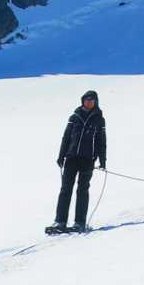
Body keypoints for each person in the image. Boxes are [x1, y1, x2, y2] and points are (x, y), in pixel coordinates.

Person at [50, 91, 107, 234]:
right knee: (65, 190)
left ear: (95, 102)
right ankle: (60, 222)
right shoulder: (74, 117)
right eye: (86, 99)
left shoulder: (99, 119)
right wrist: (61, 155)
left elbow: (101, 142)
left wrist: (102, 160)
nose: (88, 102)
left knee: (82, 191)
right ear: (82, 101)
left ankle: (79, 222)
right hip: (71, 158)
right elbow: (66, 138)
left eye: (91, 100)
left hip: (87, 160)